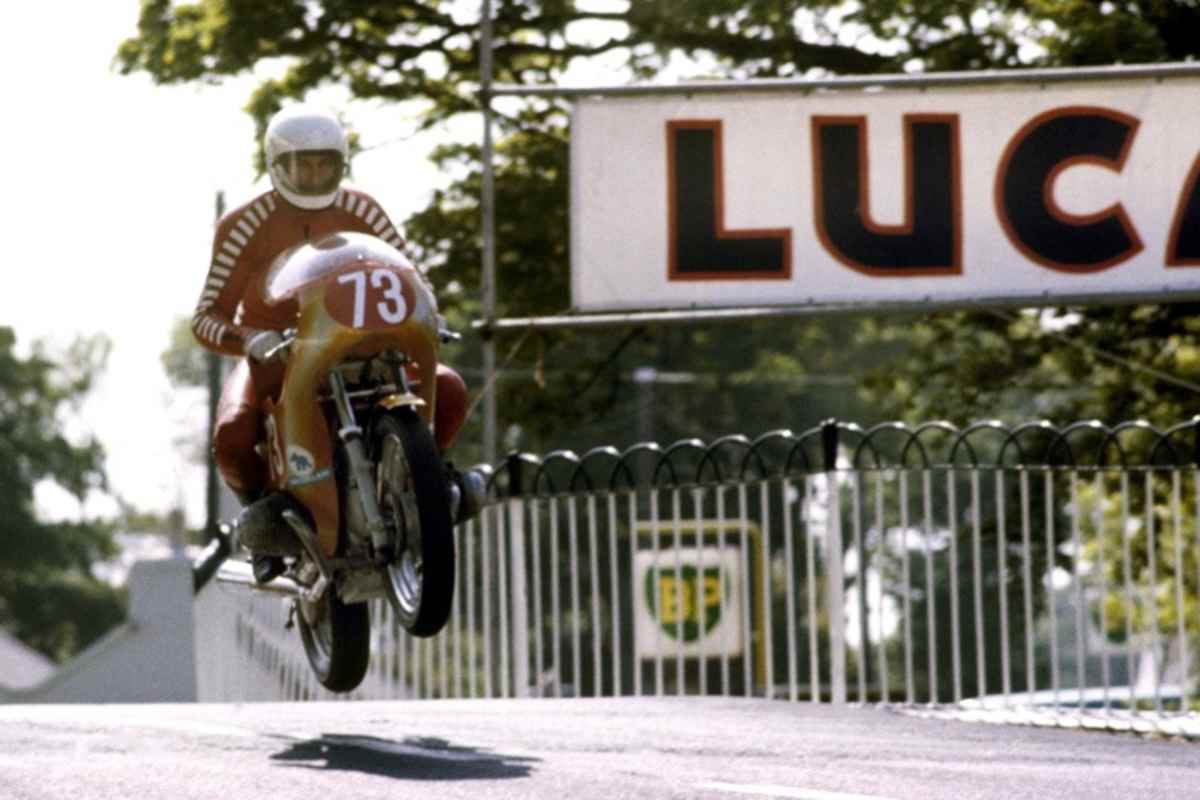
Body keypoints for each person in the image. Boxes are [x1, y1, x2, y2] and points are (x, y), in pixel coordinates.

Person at [193, 103, 483, 582]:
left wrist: (430, 312)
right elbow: (205, 317)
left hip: (366, 343)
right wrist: (251, 337)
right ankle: (263, 513)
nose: (312, 174)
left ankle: (430, 479)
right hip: (280, 353)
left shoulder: (364, 209)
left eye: (324, 163)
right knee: (234, 432)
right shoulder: (243, 224)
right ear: (276, 165)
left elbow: (411, 275)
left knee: (448, 389)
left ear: (341, 163)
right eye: (300, 164)